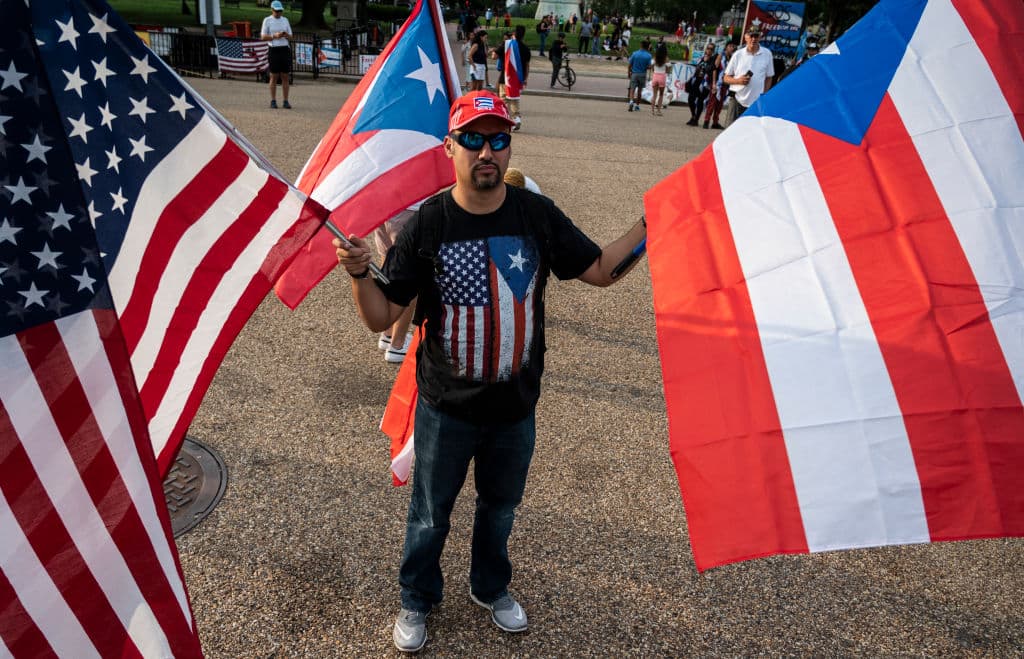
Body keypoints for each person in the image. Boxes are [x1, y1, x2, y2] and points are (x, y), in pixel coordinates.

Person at [332, 90, 646, 654]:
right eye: (473, 139)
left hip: (514, 409)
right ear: (450, 147)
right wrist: (359, 275)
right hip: (444, 408)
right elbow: (380, 314)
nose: (486, 151)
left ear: (509, 147)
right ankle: (416, 597)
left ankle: (489, 587)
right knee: (429, 515)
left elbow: (599, 268)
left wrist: (653, 224)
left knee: (500, 509)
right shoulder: (427, 225)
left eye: (498, 139)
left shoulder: (536, 214)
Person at [373, 209, 417, 363]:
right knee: (411, 274)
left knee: (387, 263)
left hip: (385, 205)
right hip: (411, 207)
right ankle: (398, 343)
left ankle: (388, 333)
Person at [723, 24, 774, 123]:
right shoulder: (738, 54)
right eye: (751, 36)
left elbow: (769, 77)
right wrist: (738, 81)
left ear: (760, 37)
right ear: (746, 37)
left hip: (756, 103)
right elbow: (726, 78)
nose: (753, 39)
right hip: (737, 99)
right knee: (730, 131)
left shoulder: (767, 54)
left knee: (750, 134)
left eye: (756, 36)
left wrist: (764, 95)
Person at [495, 26, 530, 130]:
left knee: (504, 100)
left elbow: (494, 56)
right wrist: (525, 79)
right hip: (518, 78)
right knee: (514, 99)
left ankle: (504, 121)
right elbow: (527, 66)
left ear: (513, 33)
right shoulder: (526, 49)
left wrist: (493, 51)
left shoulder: (507, 44)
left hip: (505, 77)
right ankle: (516, 118)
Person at [260, 0, 292, 109]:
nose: (279, 13)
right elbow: (263, 37)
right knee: (273, 76)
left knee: (285, 76)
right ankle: (273, 100)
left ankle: (286, 101)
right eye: (277, 11)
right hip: (274, 49)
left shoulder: (285, 20)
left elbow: (291, 37)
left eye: (280, 11)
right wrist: (274, 36)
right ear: (272, 10)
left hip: (284, 49)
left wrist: (286, 34)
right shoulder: (267, 20)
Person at [703, 40, 735, 129]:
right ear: (726, 47)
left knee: (720, 104)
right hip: (717, 83)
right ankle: (706, 120)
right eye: (730, 46)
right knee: (712, 103)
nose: (732, 48)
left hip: (725, 83)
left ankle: (715, 122)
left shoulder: (731, 58)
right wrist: (713, 84)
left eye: (733, 46)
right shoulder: (720, 56)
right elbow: (714, 69)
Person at [685, 42, 716, 126]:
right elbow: (697, 68)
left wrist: (713, 84)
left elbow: (713, 71)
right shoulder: (702, 58)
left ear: (713, 51)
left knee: (700, 101)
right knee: (690, 99)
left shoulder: (714, 60)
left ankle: (696, 119)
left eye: (711, 49)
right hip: (697, 81)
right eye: (708, 48)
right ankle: (693, 116)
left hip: (706, 83)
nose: (709, 50)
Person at [626, 39, 652, 112]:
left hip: (634, 73)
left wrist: (629, 73)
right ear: (647, 47)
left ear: (641, 45)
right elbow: (649, 67)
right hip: (642, 74)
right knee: (640, 91)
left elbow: (629, 65)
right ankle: (637, 106)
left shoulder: (635, 53)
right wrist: (645, 67)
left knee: (632, 89)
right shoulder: (648, 56)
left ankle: (631, 102)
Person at [649, 44, 669, 116]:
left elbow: (651, 66)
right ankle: (658, 111)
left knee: (654, 95)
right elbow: (668, 69)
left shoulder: (655, 58)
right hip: (662, 76)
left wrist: (654, 70)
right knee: (661, 95)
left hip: (655, 75)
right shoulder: (666, 59)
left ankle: (652, 111)